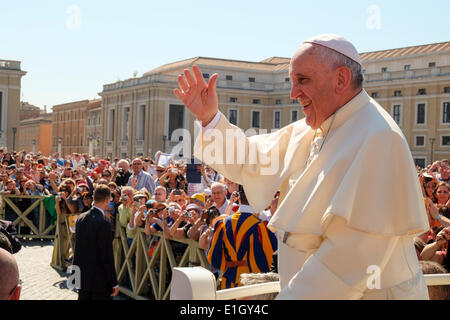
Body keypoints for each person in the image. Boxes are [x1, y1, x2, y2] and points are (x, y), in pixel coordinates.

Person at [175, 34, 429, 299]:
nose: (293, 93)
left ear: (341, 79)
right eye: (292, 81)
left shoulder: (379, 137)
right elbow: (251, 160)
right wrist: (210, 119)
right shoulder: (314, 127)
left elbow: (349, 259)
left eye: (303, 80)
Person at [206, 188, 278, 289]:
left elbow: (214, 258)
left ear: (239, 199)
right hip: (252, 283)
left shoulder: (222, 224)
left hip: (228, 280)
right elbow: (268, 261)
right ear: (257, 201)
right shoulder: (260, 226)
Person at [73, 185, 119, 300]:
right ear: (108, 200)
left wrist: (74, 277)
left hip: (82, 277)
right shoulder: (103, 223)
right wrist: (114, 282)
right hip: (99, 281)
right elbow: (106, 255)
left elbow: (77, 249)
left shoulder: (80, 218)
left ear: (93, 197)